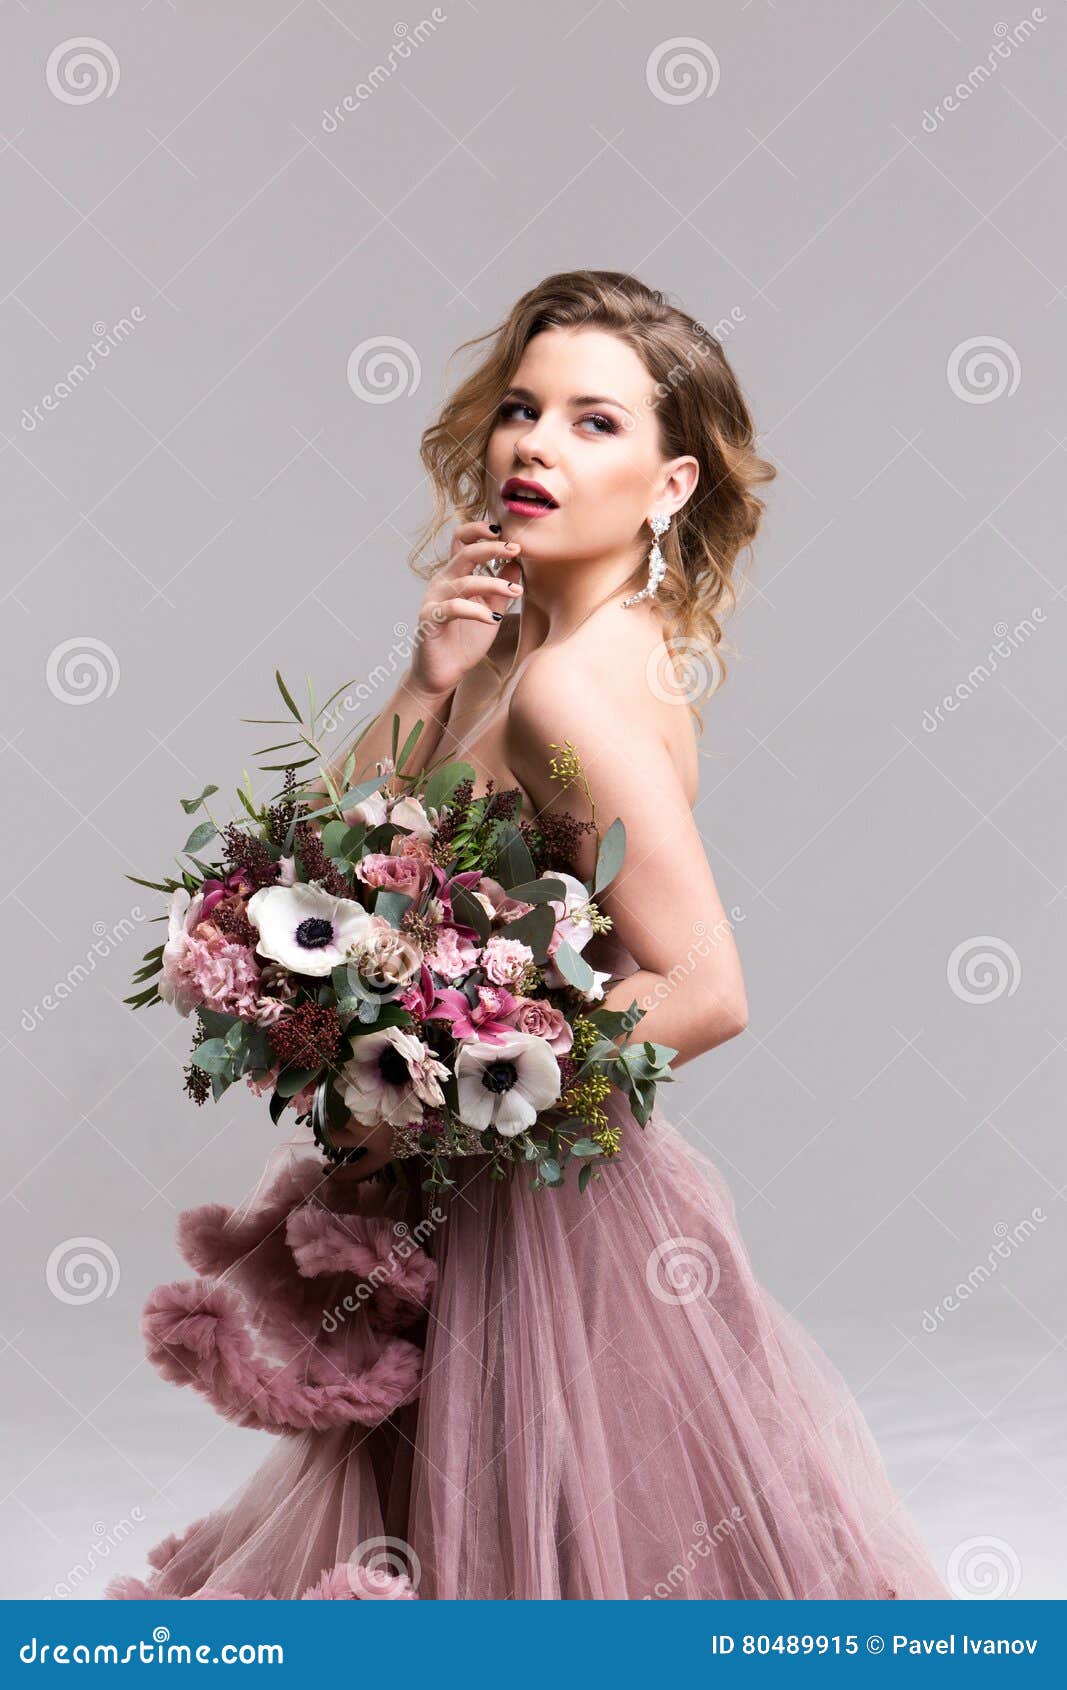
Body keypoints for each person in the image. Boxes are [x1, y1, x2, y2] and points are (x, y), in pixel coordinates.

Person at [107, 270, 949, 1601]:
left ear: (672, 484)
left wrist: (475, 1071)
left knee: (526, 1549)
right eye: (521, 406)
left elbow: (707, 985)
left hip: (533, 1210)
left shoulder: (564, 687)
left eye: (594, 421)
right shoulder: (561, 652)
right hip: (498, 1182)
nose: (536, 444)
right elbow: (341, 865)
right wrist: (427, 680)